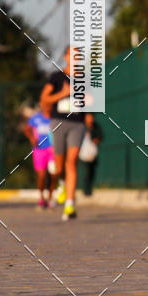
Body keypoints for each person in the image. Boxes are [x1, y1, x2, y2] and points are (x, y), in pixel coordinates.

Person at [40, 47, 86, 221]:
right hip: (59, 121)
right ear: (66, 57)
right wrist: (63, 93)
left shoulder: (84, 78)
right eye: (72, 54)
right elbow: (45, 99)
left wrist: (89, 103)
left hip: (77, 123)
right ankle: (61, 183)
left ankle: (69, 205)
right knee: (59, 167)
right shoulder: (56, 77)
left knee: (72, 160)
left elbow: (89, 101)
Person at [23, 104, 56, 208]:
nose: (48, 107)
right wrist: (32, 138)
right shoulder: (35, 118)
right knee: (41, 176)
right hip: (39, 150)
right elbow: (27, 129)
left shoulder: (55, 118)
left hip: (53, 150)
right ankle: (41, 197)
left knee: (53, 174)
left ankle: (50, 198)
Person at [78, 113, 103, 196]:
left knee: (92, 172)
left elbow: (100, 136)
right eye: (88, 117)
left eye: (91, 117)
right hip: (83, 154)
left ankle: (90, 190)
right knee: (86, 172)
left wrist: (95, 140)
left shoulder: (96, 127)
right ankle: (86, 191)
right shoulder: (81, 126)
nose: (90, 119)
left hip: (93, 154)